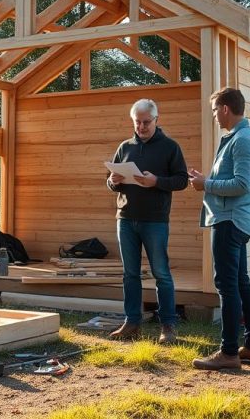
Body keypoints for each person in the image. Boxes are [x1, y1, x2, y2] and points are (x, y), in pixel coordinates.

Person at [188, 87, 250, 370]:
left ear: (224, 109)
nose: (214, 118)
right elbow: (232, 180)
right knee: (241, 283)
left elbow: (241, 185)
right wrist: (205, 180)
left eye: (214, 112)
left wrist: (205, 184)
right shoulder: (237, 138)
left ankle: (229, 353)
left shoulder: (243, 140)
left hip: (229, 221)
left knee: (227, 286)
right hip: (233, 220)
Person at [105, 98, 188, 344]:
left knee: (161, 273)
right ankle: (132, 323)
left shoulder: (170, 147)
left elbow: (182, 180)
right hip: (126, 218)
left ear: (156, 120)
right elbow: (109, 182)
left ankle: (168, 326)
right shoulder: (125, 146)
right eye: (137, 122)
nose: (141, 127)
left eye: (146, 122)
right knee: (130, 274)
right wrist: (113, 181)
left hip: (155, 220)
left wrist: (157, 182)